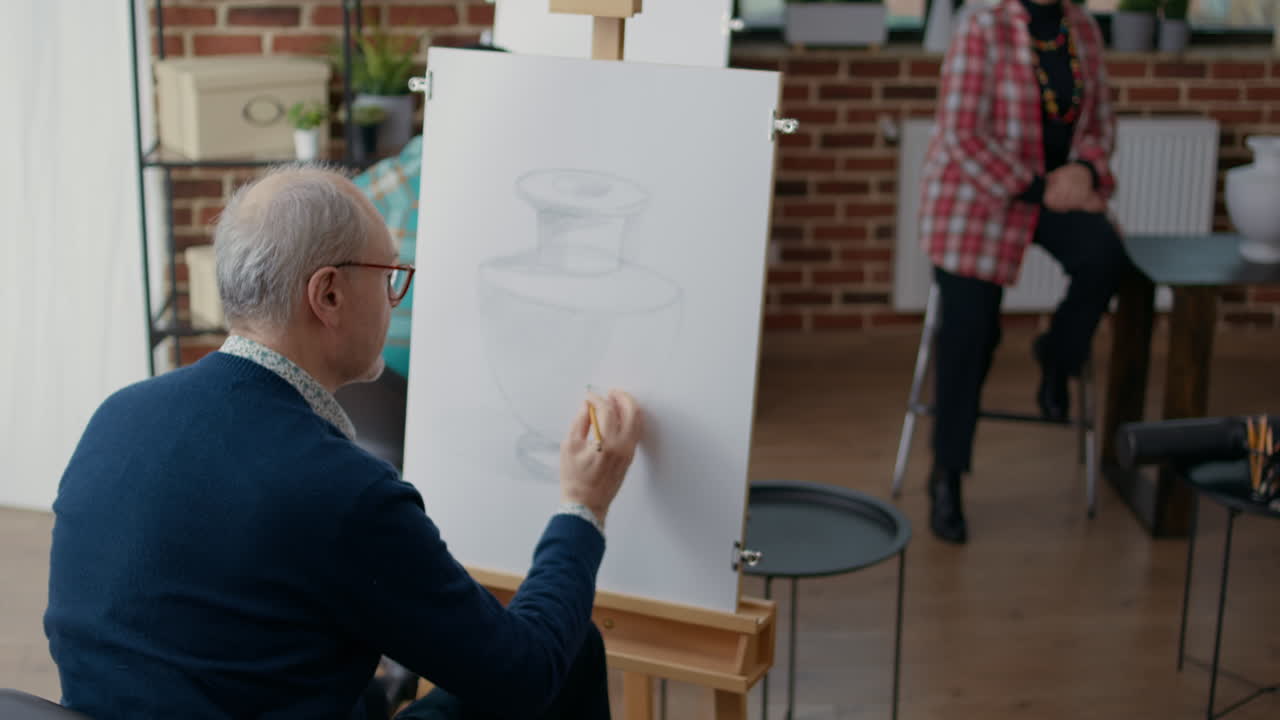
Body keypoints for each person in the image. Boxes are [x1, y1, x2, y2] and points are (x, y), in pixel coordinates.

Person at [44, 164, 642, 719]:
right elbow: (524, 672)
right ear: (328, 294)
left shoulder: (115, 418)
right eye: (390, 278)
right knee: (568, 654)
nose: (392, 299)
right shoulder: (341, 490)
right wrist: (582, 508)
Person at [918, 0, 1131, 544]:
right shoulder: (981, 27)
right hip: (980, 195)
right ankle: (947, 475)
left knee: (1107, 260)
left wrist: (1083, 170)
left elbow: (1099, 120)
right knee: (970, 332)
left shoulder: (1081, 27)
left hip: (1057, 192)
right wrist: (1043, 189)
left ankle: (1055, 356)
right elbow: (961, 134)